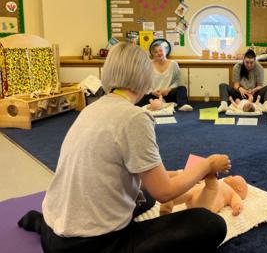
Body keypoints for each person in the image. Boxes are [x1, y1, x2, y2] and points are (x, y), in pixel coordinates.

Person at [17, 43, 230, 252]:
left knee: (144, 201)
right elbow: (164, 193)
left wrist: (171, 174)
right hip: (92, 244)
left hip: (53, 230)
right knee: (210, 224)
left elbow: (115, 172)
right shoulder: (135, 117)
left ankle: (39, 222)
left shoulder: (91, 109)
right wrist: (208, 164)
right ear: (145, 78)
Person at [136, 42, 193, 111]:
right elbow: (144, 82)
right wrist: (152, 91)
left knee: (182, 88)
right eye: (156, 52)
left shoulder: (173, 64)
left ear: (165, 52)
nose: (159, 53)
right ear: (153, 54)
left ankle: (182, 105)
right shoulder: (148, 65)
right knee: (139, 94)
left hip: (168, 94)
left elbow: (178, 80)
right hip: (154, 95)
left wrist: (169, 89)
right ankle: (153, 105)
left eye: (161, 50)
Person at [161, 175, 248, 217]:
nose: (230, 176)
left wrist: (237, 206)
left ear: (239, 188)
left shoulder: (233, 192)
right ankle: (170, 202)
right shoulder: (221, 183)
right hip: (198, 195)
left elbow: (237, 201)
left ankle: (172, 200)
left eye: (234, 176)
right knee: (192, 193)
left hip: (205, 202)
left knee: (196, 193)